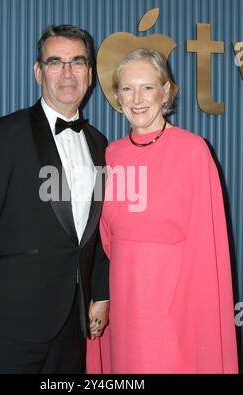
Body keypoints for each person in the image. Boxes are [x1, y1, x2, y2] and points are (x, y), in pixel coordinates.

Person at [0, 24, 109, 374]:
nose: (67, 72)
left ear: (90, 73)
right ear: (38, 72)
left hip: (72, 324)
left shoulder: (99, 143)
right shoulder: (5, 134)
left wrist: (100, 295)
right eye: (55, 62)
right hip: (11, 323)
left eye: (77, 62)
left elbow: (96, 232)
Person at [86, 48, 238, 373]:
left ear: (166, 91)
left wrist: (191, 313)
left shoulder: (193, 151)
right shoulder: (109, 155)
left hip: (175, 307)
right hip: (124, 303)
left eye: (148, 87)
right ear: (117, 95)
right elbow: (103, 241)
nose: (137, 98)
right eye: (127, 88)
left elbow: (207, 246)